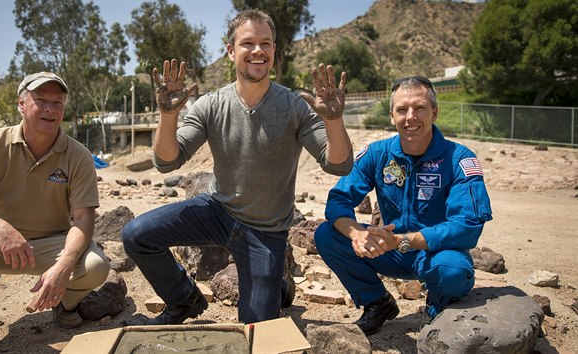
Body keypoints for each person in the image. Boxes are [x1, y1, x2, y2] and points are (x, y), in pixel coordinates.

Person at [122, 9, 354, 325]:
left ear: (274, 50)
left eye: (266, 43)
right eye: (247, 43)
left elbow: (337, 165)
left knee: (256, 328)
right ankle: (184, 299)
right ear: (231, 51)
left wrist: (334, 121)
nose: (257, 51)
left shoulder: (295, 106)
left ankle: (278, 282)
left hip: (266, 230)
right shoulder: (211, 105)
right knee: (136, 234)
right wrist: (167, 115)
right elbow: (167, 161)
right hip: (217, 212)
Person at [314, 76, 493, 335]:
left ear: (434, 112)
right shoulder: (377, 154)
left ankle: (437, 307)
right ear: (391, 116)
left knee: (454, 271)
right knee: (327, 234)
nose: (411, 117)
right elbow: (338, 201)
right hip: (389, 251)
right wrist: (359, 235)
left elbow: (467, 227)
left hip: (433, 254)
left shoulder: (459, 158)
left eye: (419, 108)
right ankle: (377, 302)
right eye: (402, 109)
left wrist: (401, 241)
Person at [0, 71, 111, 350]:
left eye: (57, 102)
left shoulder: (79, 156)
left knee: (96, 266)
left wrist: (63, 264)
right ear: (21, 104)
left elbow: (83, 219)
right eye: (40, 100)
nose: (50, 108)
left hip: (50, 245)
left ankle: (63, 302)